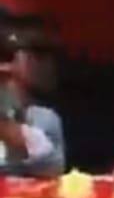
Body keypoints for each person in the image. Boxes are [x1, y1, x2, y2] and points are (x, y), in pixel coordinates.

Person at [0, 11, 65, 177]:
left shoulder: (45, 119)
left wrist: (14, 133)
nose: (49, 63)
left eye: (54, 54)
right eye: (39, 51)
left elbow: (53, 169)